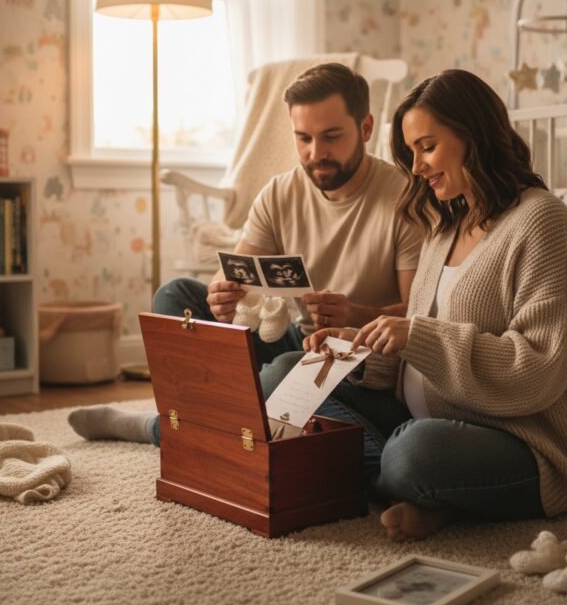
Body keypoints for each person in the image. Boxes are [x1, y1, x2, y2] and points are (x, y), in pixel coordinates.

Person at [303, 68, 567, 542]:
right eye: (411, 152)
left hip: (527, 443)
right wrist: (359, 349)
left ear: (473, 136)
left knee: (413, 453)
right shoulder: (445, 226)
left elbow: (538, 370)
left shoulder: (542, 221)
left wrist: (416, 336)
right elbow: (413, 356)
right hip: (426, 419)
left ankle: (395, 478)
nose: (416, 166)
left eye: (426, 147)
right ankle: (429, 491)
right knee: (290, 372)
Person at [68, 62, 424, 444]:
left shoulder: (404, 198)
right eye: (303, 138)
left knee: (282, 372)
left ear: (366, 128)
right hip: (300, 339)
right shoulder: (280, 193)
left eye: (331, 137)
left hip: (360, 362)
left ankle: (162, 428)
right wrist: (221, 297)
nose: (315, 152)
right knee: (176, 295)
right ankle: (227, 419)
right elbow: (235, 272)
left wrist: (354, 313)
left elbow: (419, 315)